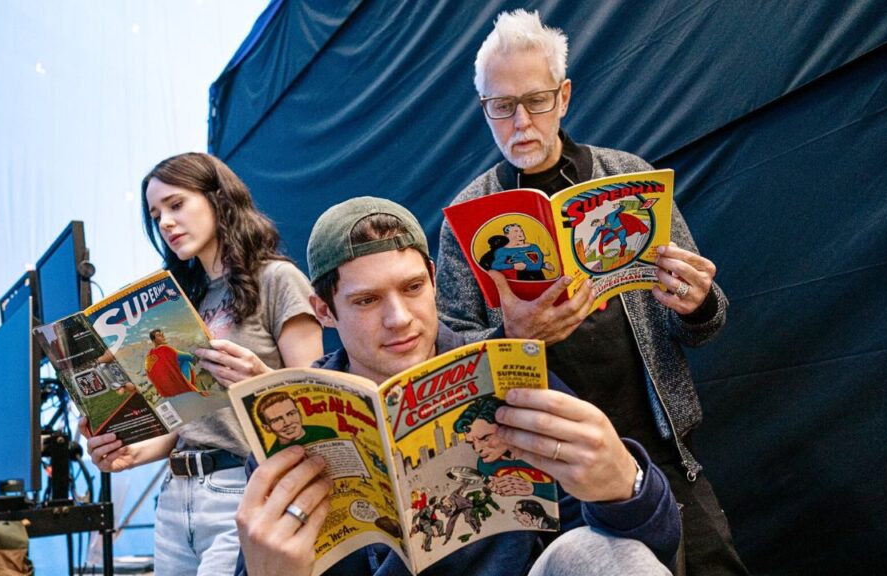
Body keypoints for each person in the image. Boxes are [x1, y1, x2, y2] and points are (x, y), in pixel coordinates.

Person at [435, 10, 747, 575]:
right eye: (500, 107)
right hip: (547, 475)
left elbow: (705, 321)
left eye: (536, 100)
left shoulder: (629, 175)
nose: (520, 123)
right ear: (483, 108)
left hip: (660, 447)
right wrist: (513, 336)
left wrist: (696, 301)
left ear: (565, 97)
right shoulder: (466, 217)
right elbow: (448, 358)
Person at [235, 197, 681, 576]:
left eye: (412, 288)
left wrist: (627, 487)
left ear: (433, 279)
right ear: (324, 311)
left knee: (593, 551)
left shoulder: (504, 369)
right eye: (366, 300)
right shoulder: (290, 418)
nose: (399, 319)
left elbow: (649, 544)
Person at [81, 152, 323, 575]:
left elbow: (317, 402)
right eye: (156, 215)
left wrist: (258, 379)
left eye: (176, 204)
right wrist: (127, 453)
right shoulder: (181, 300)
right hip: (175, 496)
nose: (166, 223)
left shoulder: (278, 280)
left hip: (242, 489)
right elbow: (185, 421)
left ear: (219, 199)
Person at [254, 391, 337, 456]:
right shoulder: (270, 457)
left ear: (299, 413)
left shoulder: (326, 433)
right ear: (266, 428)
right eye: (277, 420)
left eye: (291, 413)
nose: (288, 422)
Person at [144, 329, 204, 398]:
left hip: (165, 392)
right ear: (153, 340)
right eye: (159, 335)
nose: (163, 336)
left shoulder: (149, 355)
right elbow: (188, 357)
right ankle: (188, 390)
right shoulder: (164, 349)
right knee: (187, 363)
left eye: (162, 334)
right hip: (177, 387)